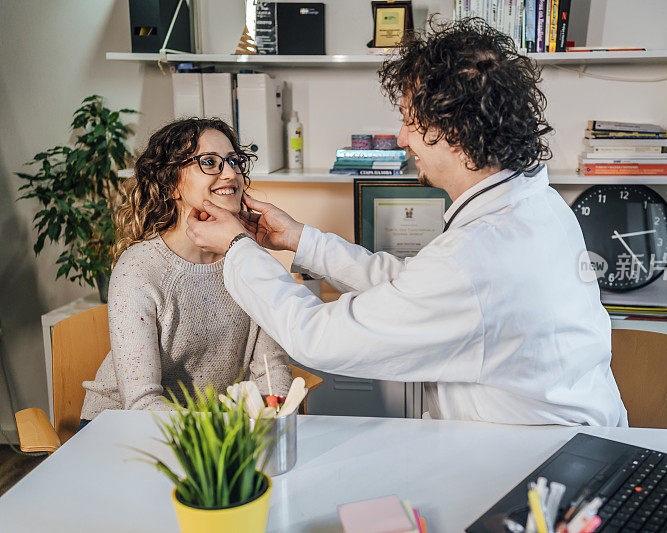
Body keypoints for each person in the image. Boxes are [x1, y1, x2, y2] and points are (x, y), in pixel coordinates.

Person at [186, 19, 628, 426]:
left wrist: (238, 248)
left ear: (453, 131)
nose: (401, 138)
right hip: (560, 439)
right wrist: (301, 240)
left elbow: (317, 338)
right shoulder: (535, 205)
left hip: (538, 469)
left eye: (409, 120)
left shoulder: (480, 256)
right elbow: (414, 285)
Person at [80, 118, 292, 423]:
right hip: (122, 428)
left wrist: (270, 420)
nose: (231, 173)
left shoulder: (250, 261)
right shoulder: (139, 269)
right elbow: (142, 403)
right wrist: (221, 433)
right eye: (209, 162)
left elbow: (272, 372)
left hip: (209, 430)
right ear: (171, 184)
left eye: (234, 161)